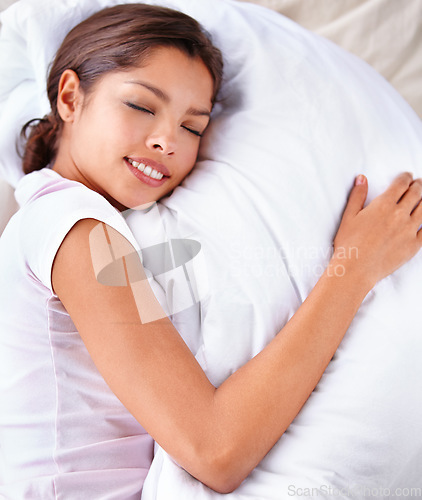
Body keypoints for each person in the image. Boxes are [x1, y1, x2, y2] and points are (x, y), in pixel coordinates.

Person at [0, 3, 421, 498]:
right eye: (141, 106)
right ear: (70, 98)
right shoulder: (73, 227)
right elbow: (216, 451)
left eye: (193, 127)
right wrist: (355, 268)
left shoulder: (78, 224)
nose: (167, 142)